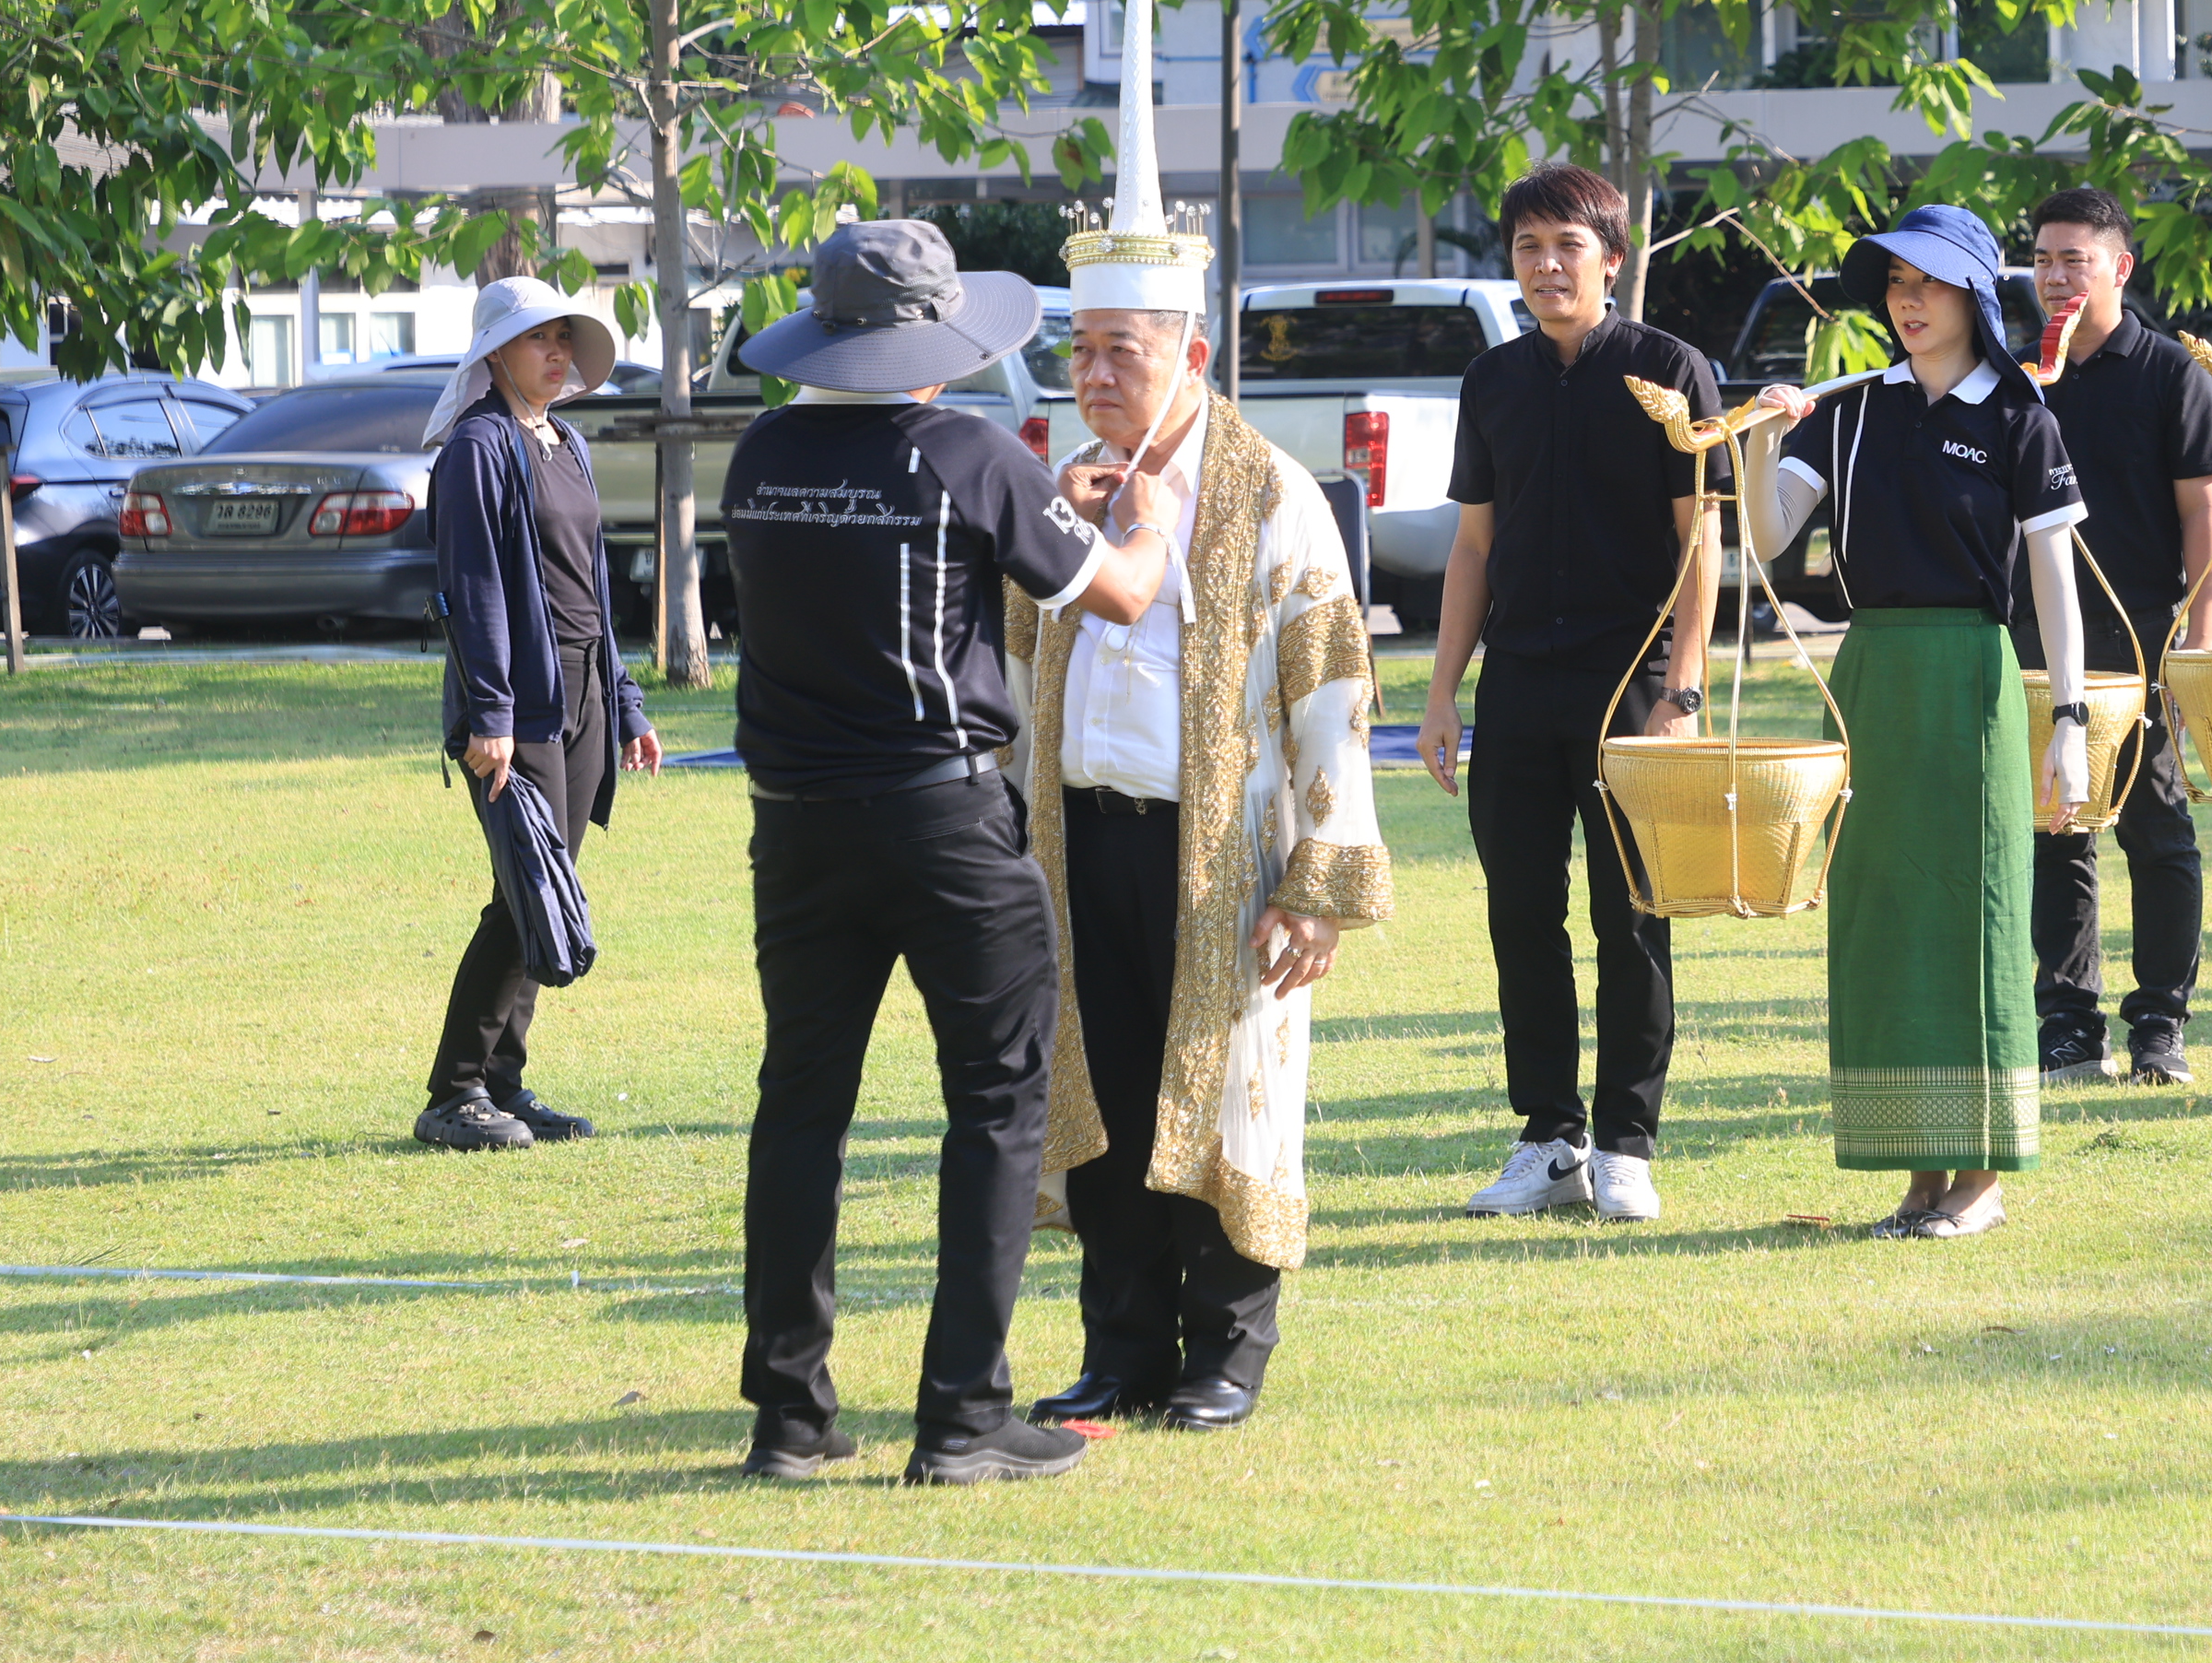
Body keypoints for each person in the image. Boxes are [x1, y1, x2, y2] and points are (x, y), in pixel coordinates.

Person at [723, 218, 1174, 1488]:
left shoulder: (761, 456)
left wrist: (1039, 510)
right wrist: (1137, 517)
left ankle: (788, 1413)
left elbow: (892, 563)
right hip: (940, 820)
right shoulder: (966, 452)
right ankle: (964, 1415)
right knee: (994, 1102)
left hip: (796, 824)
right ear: (932, 342)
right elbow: (1125, 592)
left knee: (802, 1107)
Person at [1011, 128, 1392, 1433]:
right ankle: (1119, 1344)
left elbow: (1333, 698)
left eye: (1126, 348)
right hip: (1082, 844)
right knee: (1106, 1096)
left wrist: (1319, 883)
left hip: (1222, 848)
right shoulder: (1061, 491)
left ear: (1192, 353)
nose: (1097, 373)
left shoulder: (1273, 494)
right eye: (1084, 348)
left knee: (1233, 1089)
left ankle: (1226, 1350)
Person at [1742, 204, 2091, 1239]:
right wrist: (1762, 439)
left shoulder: (2022, 416)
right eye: (1894, 282)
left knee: (1974, 913)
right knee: (1883, 914)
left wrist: (2067, 716)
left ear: (1975, 294)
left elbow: (2056, 585)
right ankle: (1914, 1170)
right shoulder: (1852, 413)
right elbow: (1766, 537)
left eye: (1928, 283)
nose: (1906, 300)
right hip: (1871, 677)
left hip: (1976, 681)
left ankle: (1979, 1179)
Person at [1420, 164, 1720, 1222]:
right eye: (1528, 249)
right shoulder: (1491, 379)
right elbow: (1471, 546)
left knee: (1631, 913)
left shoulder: (1670, 368)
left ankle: (1627, 1144)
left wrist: (1682, 691)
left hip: (1630, 686)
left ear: (1611, 258)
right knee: (1520, 914)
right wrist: (1443, 691)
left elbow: (1701, 547)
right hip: (1518, 684)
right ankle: (1549, 1137)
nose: (1547, 267)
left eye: (1567, 247)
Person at [417, 278, 660, 1153]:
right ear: (495, 353)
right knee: (526, 895)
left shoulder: (565, 442)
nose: (556, 353)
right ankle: (454, 1093)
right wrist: (490, 716)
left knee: (541, 897)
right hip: (520, 705)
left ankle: (503, 1087)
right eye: (538, 340)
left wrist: (626, 701)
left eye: (565, 338)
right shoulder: (478, 447)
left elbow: (591, 584)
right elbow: (472, 591)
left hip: (584, 692)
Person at [2016, 189, 2212, 1088]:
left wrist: (2196, 653)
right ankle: (2068, 1022)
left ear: (2120, 268)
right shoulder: (2017, 372)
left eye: (2076, 259)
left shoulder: (2169, 372)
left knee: (2157, 829)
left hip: (2145, 635)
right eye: (2044, 260)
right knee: (2055, 831)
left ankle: (2160, 1024)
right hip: (2036, 634)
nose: (2058, 276)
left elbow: (2205, 521)